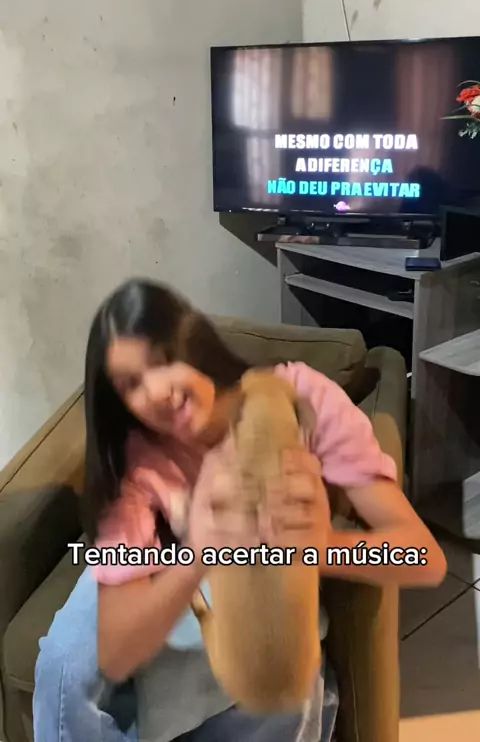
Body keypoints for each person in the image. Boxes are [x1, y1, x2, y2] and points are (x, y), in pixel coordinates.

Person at [33, 278, 447, 742]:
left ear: (192, 343)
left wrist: (319, 546)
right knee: (66, 663)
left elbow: (422, 557)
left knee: (280, 698)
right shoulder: (135, 455)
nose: (159, 390)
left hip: (260, 600)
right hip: (172, 568)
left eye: (163, 359)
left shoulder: (299, 397)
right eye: (132, 384)